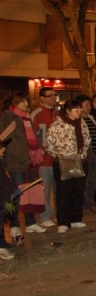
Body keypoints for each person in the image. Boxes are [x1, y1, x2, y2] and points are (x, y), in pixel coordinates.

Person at [0, 92, 46, 241]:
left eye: (26, 101)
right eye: (23, 102)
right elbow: (9, 141)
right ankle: (14, 225)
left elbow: (32, 137)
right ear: (15, 103)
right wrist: (24, 157)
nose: (26, 104)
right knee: (15, 194)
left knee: (30, 192)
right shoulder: (9, 117)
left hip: (29, 160)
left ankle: (30, 222)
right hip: (17, 162)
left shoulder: (26, 117)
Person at [42, 99, 91, 234]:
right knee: (64, 192)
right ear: (68, 111)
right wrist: (60, 156)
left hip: (80, 161)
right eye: (75, 110)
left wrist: (82, 153)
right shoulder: (58, 125)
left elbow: (87, 139)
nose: (78, 112)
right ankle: (63, 221)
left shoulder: (82, 123)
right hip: (64, 162)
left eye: (80, 109)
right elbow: (48, 144)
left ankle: (76, 218)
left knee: (78, 191)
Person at [30, 87, 59, 228]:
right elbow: (31, 137)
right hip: (44, 160)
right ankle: (45, 216)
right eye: (50, 96)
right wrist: (39, 153)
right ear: (42, 98)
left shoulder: (59, 113)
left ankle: (61, 215)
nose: (53, 98)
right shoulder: (36, 114)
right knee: (44, 189)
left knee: (59, 189)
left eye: (55, 95)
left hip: (59, 159)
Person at [75, 95, 96, 212]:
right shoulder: (78, 120)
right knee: (85, 180)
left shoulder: (91, 118)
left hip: (94, 154)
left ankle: (90, 202)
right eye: (87, 105)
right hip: (85, 156)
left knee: (93, 180)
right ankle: (85, 204)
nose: (89, 107)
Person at [0, 134, 22, 259]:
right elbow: (2, 180)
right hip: (3, 195)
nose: (4, 149)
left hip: (5, 197)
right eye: (1, 147)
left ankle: (4, 242)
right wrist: (12, 190)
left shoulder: (2, 161)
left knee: (4, 218)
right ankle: (1, 247)